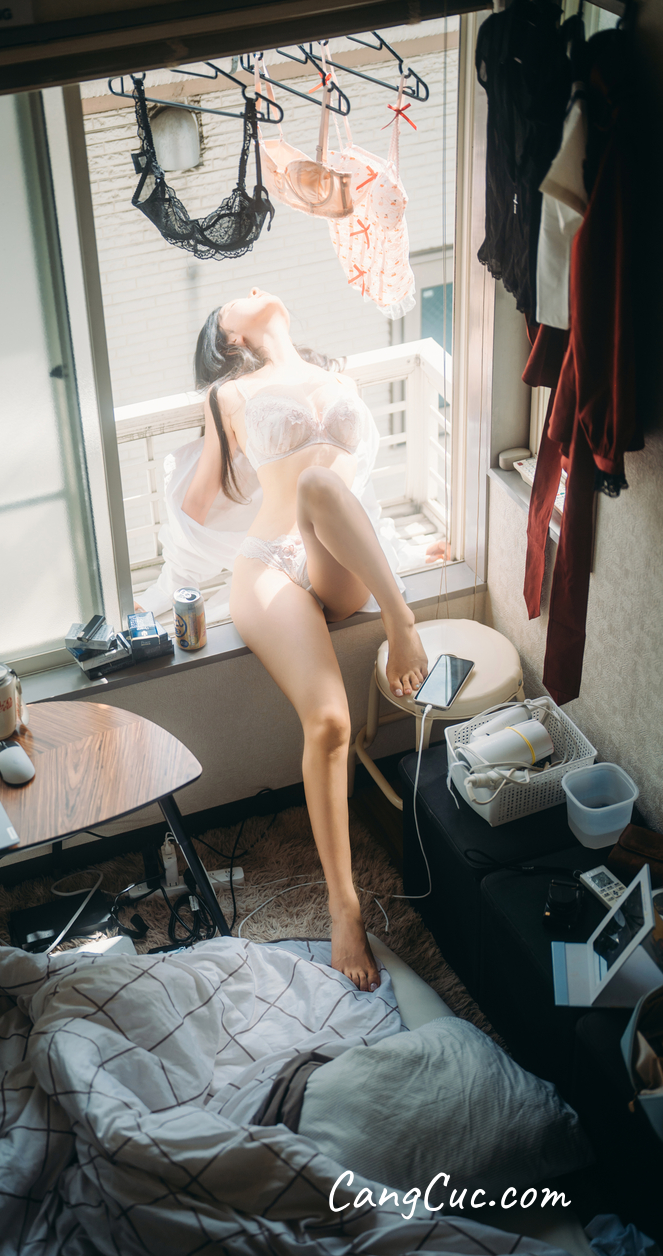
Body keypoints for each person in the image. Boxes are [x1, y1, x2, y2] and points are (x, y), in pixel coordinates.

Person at [185, 288, 429, 991]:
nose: (251, 290)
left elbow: (355, 491)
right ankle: (343, 906)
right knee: (330, 723)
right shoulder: (229, 394)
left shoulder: (336, 374)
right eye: (233, 301)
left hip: (334, 556)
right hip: (269, 565)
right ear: (229, 338)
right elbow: (198, 503)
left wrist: (390, 549)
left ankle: (400, 620)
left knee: (320, 484)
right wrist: (170, 580)